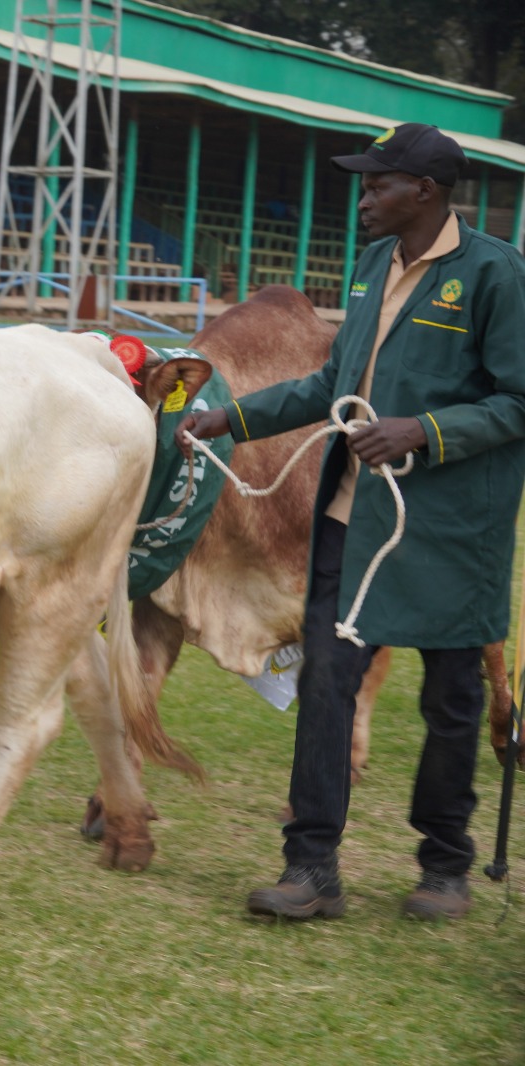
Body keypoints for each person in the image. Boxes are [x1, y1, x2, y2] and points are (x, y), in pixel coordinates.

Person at [178, 122, 525, 922]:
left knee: (450, 700)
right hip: (353, 516)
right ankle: (312, 869)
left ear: (426, 193)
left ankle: (445, 867)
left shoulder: (496, 275)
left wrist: (425, 432)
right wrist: (227, 419)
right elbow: (333, 382)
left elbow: (517, 401)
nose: (364, 198)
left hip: (450, 529)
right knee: (327, 684)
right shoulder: (372, 266)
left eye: (379, 185)